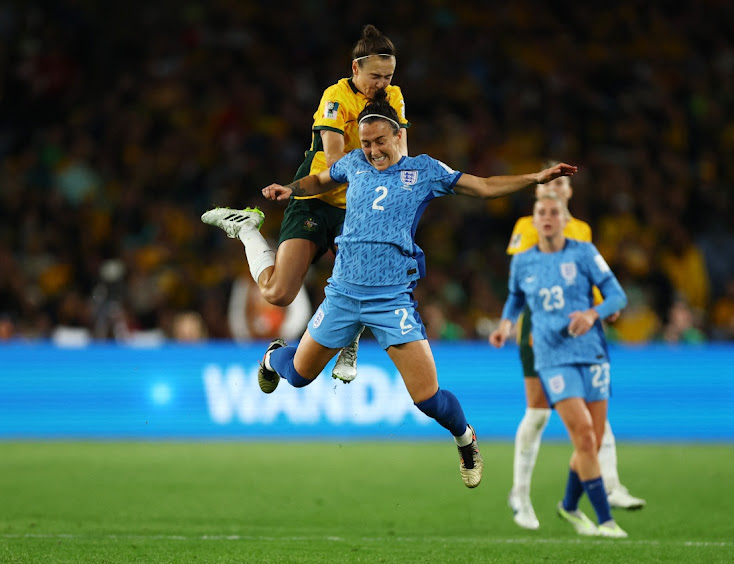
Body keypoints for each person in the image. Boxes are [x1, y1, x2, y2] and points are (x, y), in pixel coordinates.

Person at [203, 90, 577, 488]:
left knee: (428, 400)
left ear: (398, 135)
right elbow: (320, 179)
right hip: (343, 294)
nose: (373, 150)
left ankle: (465, 439)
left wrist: (534, 178)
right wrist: (291, 189)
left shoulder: (425, 171)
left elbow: (482, 186)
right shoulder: (354, 164)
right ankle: (272, 357)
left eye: (380, 141)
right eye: (365, 143)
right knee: (296, 376)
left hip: (390, 300)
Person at [203, 24, 408, 384]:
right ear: (355, 69)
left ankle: (350, 344)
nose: (383, 84)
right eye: (376, 76)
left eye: (389, 76)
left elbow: (401, 155)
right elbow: (332, 161)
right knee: (278, 293)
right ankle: (249, 230)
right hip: (317, 199)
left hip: (359, 206)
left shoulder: (394, 97)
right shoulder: (336, 97)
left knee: (367, 274)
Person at [501, 171, 645, 530]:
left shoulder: (581, 231)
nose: (553, 188)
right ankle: (520, 493)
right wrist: (509, 322)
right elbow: (526, 283)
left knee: (593, 422)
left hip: (583, 333)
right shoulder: (528, 225)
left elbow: (587, 279)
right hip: (540, 330)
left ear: (570, 190)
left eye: (560, 182)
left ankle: (608, 485)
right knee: (537, 415)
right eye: (547, 184)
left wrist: (602, 307)